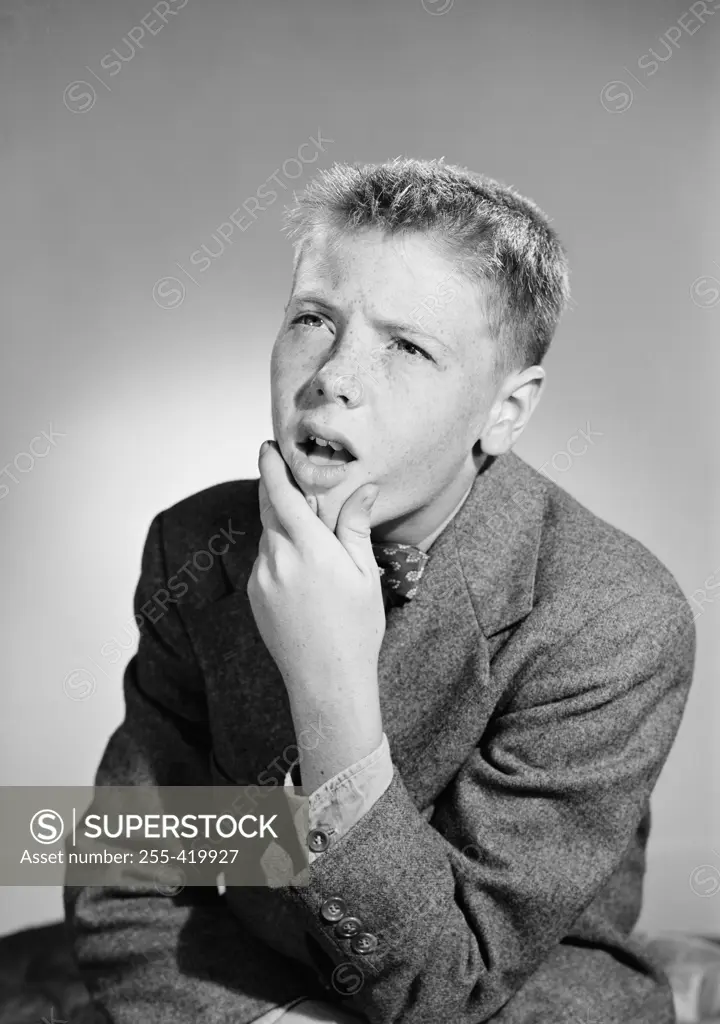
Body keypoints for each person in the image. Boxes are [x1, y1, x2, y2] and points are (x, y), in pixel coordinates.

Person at [64, 157, 696, 1023]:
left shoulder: (618, 618)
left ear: (505, 412)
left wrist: (330, 694)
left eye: (406, 346)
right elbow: (126, 881)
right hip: (259, 996)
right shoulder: (195, 547)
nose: (333, 377)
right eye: (313, 319)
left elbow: (454, 982)